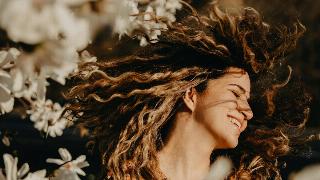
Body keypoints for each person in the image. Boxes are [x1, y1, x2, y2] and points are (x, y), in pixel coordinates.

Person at [65, 1, 311, 179]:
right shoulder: (123, 175)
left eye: (246, 100)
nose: (247, 111)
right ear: (191, 95)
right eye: (235, 93)